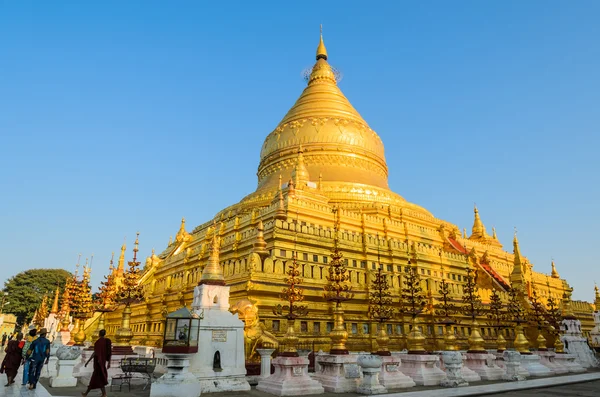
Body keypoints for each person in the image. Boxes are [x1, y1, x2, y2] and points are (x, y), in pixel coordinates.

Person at [82, 329, 112, 397]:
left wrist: (88, 361)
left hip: (98, 363)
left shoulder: (98, 342)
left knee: (94, 379)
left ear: (99, 334)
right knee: (100, 379)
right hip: (102, 363)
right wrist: (109, 363)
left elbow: (95, 353)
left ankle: (86, 394)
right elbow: (109, 353)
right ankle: (104, 394)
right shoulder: (107, 341)